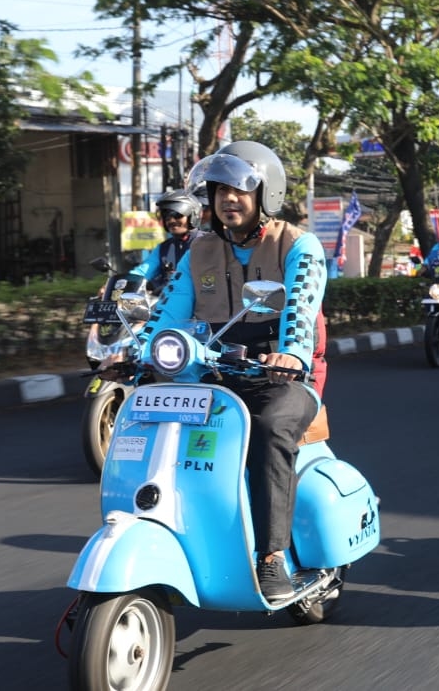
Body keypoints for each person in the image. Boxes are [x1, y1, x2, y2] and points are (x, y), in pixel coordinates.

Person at [140, 140, 325, 601]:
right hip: (216, 369)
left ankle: (271, 556)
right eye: (220, 188)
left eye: (241, 188)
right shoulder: (198, 250)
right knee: (156, 412)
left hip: (280, 376)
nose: (227, 198)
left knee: (268, 426)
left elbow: (301, 311)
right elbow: (168, 313)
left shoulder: (298, 245)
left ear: (267, 191)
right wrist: (134, 350)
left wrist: (292, 355)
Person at [129, 189, 202, 293]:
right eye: (166, 216)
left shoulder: (206, 243)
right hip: (167, 303)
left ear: (193, 215)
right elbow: (144, 271)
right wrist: (124, 282)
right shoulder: (164, 248)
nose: (171, 220)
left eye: (177, 214)